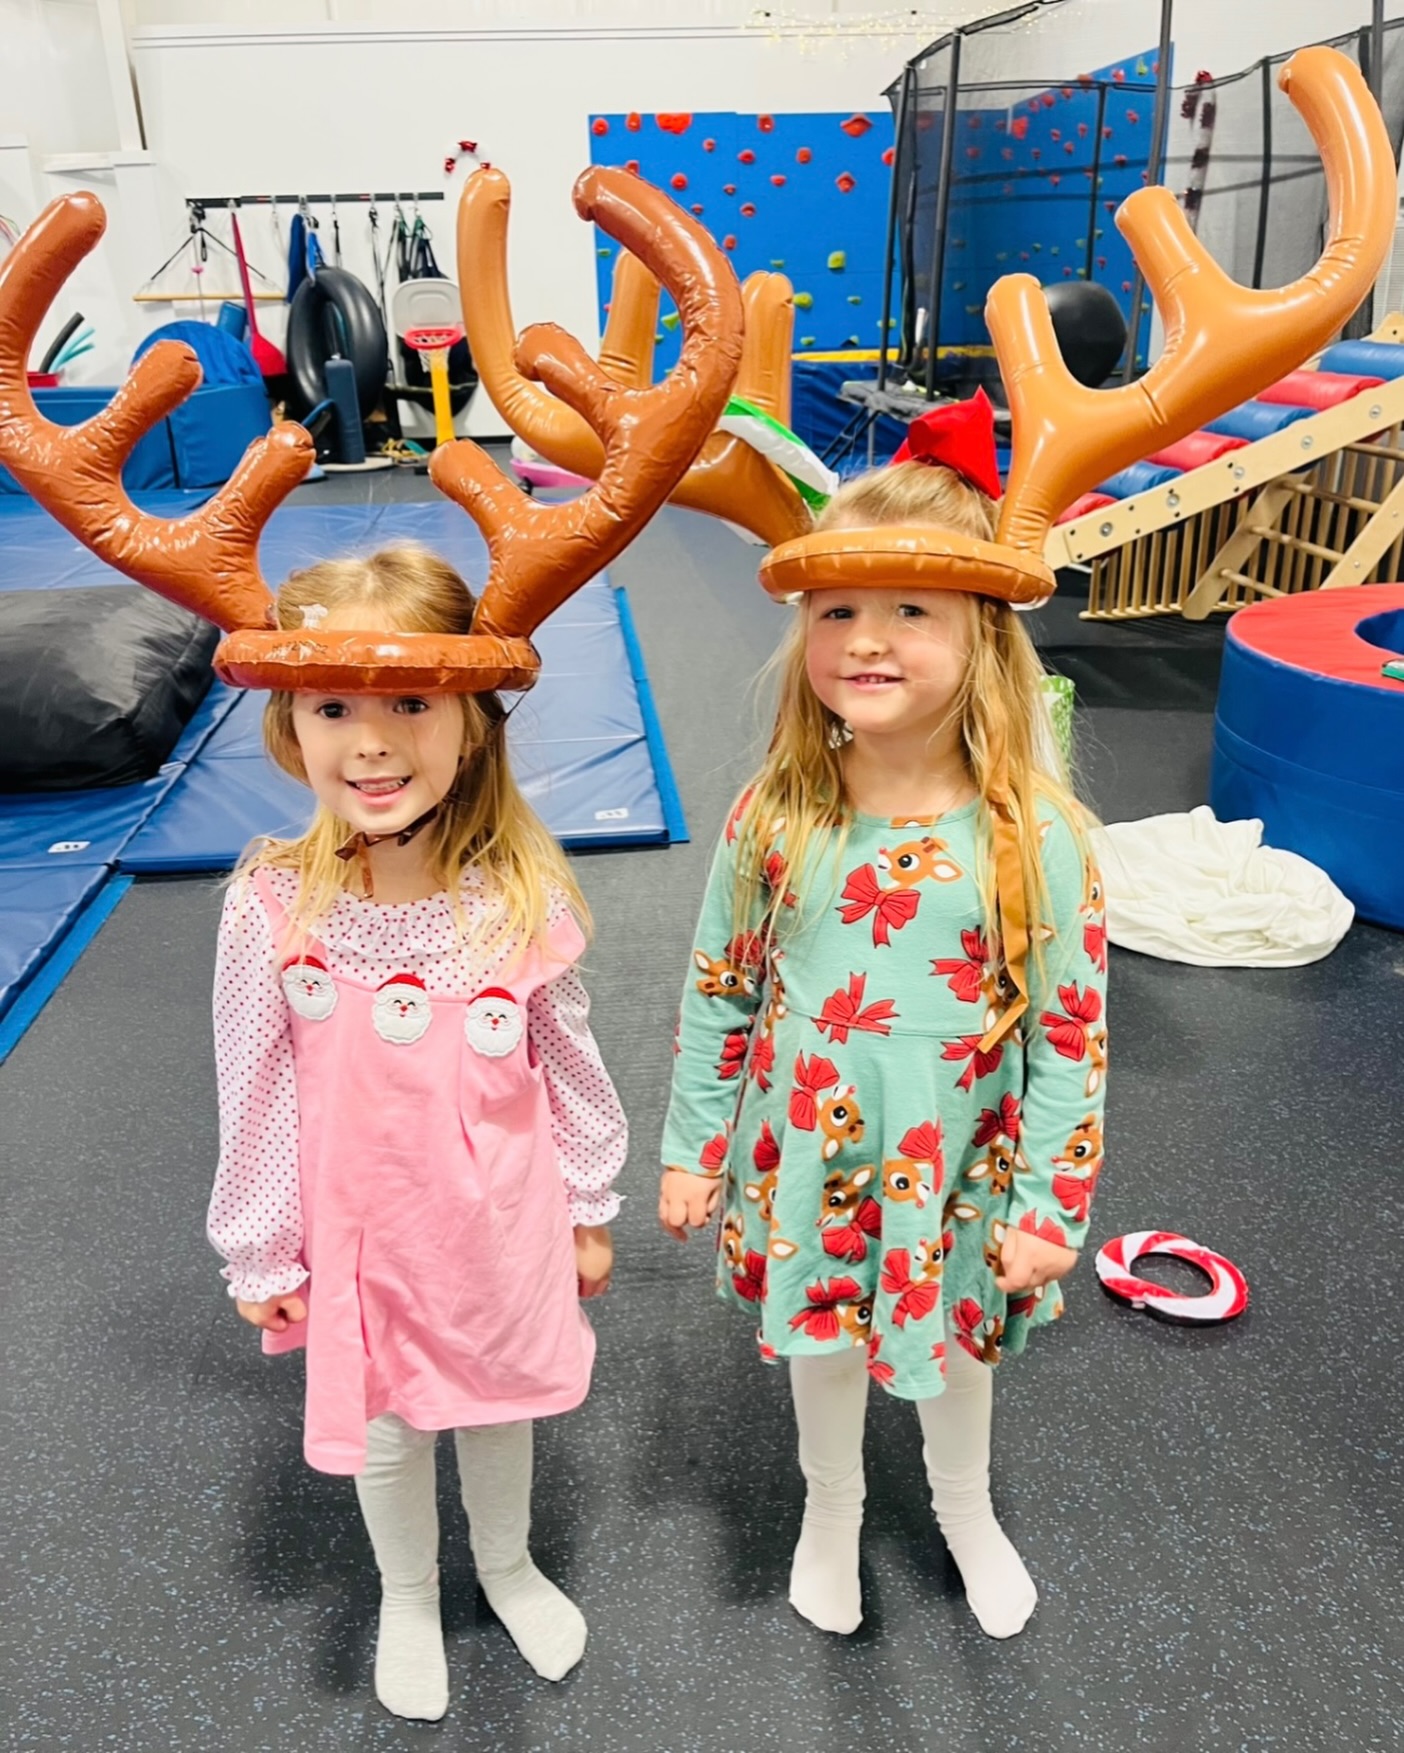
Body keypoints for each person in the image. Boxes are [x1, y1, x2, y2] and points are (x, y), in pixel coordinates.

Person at [659, 392, 1107, 1640]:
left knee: (959, 1346)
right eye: (837, 609)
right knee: (828, 1342)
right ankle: (831, 1508)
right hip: (813, 1151)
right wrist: (692, 1145)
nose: (868, 638)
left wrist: (1049, 1209)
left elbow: (1071, 1035)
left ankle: (964, 1507)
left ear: (983, 634)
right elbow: (720, 989)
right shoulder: (777, 814)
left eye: (912, 609)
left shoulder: (1040, 836)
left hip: (965, 1165)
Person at [209, 546, 626, 1720]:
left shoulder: (516, 894)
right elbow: (253, 1087)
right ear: (292, 723)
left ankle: (505, 1563)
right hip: (361, 1240)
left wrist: (591, 1205)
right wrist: (262, 1250)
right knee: (388, 1425)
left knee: (497, 1408)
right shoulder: (272, 904)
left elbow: (569, 1058)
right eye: (333, 705)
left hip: (498, 1224)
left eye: (410, 703)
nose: (372, 741)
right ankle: (406, 1590)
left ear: (474, 722)